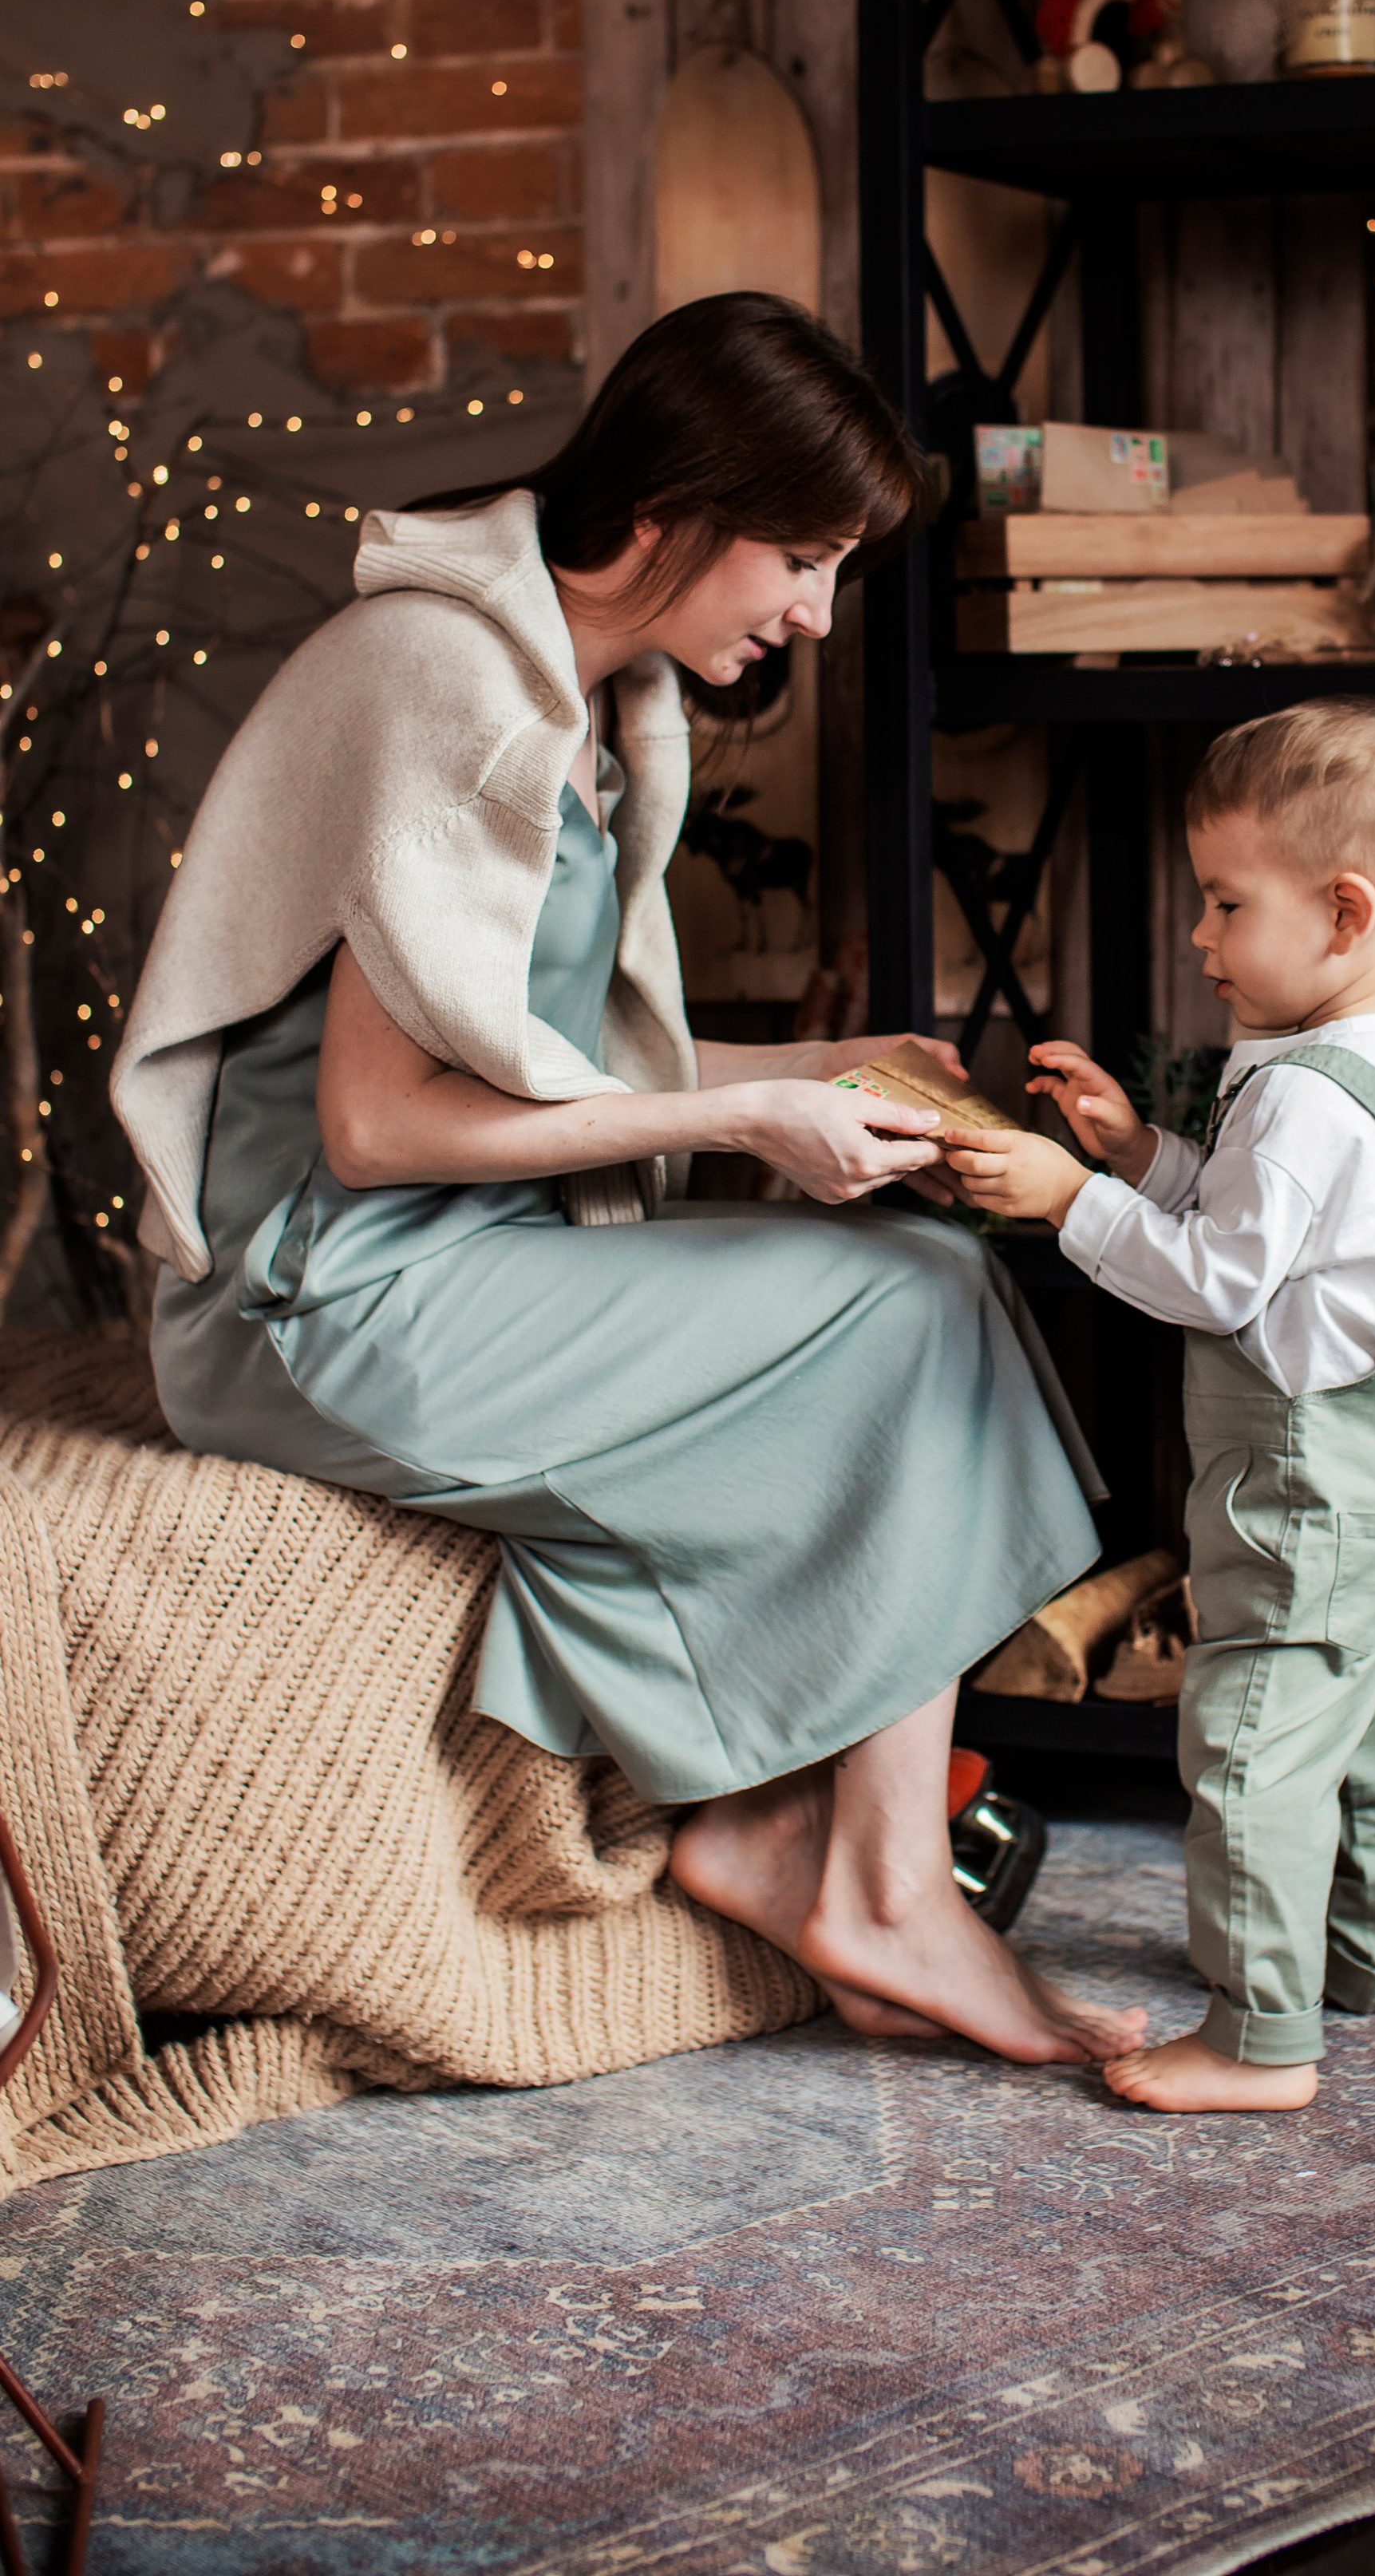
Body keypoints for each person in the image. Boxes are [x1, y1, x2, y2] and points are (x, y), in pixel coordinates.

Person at [113, 292, 1145, 2068]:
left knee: (920, 1281)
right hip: (319, 1290)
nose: (813, 615)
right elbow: (380, 1127)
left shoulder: (588, 694)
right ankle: (882, 1889)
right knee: (909, 1303)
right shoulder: (444, 684)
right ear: (674, 507)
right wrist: (741, 1128)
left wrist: (817, 1067)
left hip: (452, 1245)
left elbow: (558, 1065)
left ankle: (765, 1828)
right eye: (801, 559)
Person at [947, 698, 1375, 2112]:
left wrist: (1077, 1201)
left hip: (1304, 1485)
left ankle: (1258, 2038)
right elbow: (1266, 1223)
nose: (1200, 937)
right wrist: (1141, 1149)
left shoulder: (1305, 1095)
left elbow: (1222, 1280)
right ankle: (1366, 1960)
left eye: (1226, 904)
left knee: (1247, 1744)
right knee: (1363, 1726)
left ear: (1346, 911)